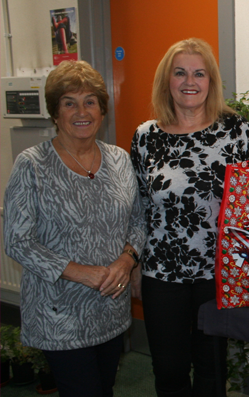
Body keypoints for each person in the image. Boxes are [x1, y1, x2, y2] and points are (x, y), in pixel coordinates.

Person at [3, 60, 145, 396]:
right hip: (59, 313)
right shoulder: (32, 165)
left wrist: (127, 260)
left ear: (101, 110)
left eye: (90, 101)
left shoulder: (119, 160)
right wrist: (82, 273)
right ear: (55, 113)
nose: (82, 111)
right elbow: (17, 241)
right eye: (70, 102)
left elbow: (138, 221)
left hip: (110, 309)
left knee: (105, 388)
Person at [130, 38, 249, 396]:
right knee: (168, 369)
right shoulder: (145, 138)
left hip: (218, 273)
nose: (190, 81)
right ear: (166, 81)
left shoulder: (237, 132)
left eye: (199, 73)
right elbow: (138, 207)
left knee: (212, 369)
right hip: (161, 273)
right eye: (180, 72)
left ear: (211, 81)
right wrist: (135, 266)